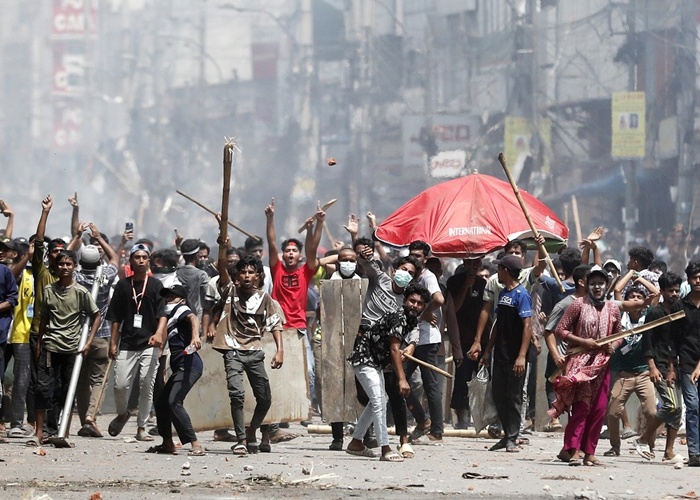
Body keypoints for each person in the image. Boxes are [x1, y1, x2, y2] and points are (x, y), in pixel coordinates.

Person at [345, 281, 430, 462]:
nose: (415, 305)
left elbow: (397, 346)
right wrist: (402, 379)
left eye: (419, 303)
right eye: (412, 301)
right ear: (405, 300)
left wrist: (406, 350)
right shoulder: (399, 317)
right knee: (379, 402)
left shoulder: (411, 320)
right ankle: (385, 448)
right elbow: (393, 348)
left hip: (376, 363)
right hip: (365, 359)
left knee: (379, 400)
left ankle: (356, 442)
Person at [212, 250, 284, 455]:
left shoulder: (264, 298)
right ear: (237, 276)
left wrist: (280, 351)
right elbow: (223, 270)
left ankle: (252, 429)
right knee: (237, 394)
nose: (246, 276)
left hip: (253, 351)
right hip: (232, 349)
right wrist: (222, 243)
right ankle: (241, 439)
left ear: (258, 276)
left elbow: (275, 324)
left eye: (251, 272)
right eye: (242, 272)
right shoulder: (229, 292)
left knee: (265, 398)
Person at [549, 265, 622, 467]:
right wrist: (583, 342)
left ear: (606, 286)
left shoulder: (613, 308)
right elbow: (560, 330)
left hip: (602, 364)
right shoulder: (578, 305)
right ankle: (573, 450)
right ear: (587, 285)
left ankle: (589, 452)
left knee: (598, 409)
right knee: (581, 408)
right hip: (580, 362)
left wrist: (612, 346)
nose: (597, 287)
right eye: (593, 283)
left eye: (600, 283)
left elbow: (620, 335)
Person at [265, 198, 323, 442]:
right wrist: (270, 218)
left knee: (308, 372)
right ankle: (276, 419)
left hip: (298, 331)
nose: (290, 253)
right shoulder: (276, 269)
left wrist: (315, 226)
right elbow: (270, 243)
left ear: (299, 256)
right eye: (287, 250)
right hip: (277, 331)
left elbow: (313, 248)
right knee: (275, 376)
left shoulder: (305, 271)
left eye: (293, 251)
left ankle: (301, 410)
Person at [34, 250, 101, 445]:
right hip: (50, 346)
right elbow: (44, 318)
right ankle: (40, 432)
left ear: (75, 267)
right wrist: (39, 343)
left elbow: (96, 316)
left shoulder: (80, 292)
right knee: (44, 389)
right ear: (56, 266)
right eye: (61, 264)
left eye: (68, 264)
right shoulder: (49, 290)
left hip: (72, 349)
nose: (64, 267)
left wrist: (88, 342)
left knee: (66, 391)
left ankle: (64, 432)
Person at [106, 243, 167, 442]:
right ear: (130, 261)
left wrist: (159, 335)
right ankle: (123, 413)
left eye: (144, 257)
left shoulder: (156, 286)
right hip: (127, 343)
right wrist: (113, 343)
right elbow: (115, 316)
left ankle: (142, 427)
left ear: (149, 261)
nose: (141, 261)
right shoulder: (124, 286)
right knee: (120, 385)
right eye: (137, 257)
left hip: (150, 343)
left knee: (146, 384)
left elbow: (162, 315)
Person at [479, 255, 533, 453]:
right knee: (498, 394)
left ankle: (512, 437)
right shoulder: (502, 294)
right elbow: (497, 325)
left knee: (514, 396)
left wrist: (521, 355)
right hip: (500, 354)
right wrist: (487, 351)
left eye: (499, 269)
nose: (497, 273)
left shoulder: (522, 294)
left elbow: (527, 327)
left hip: (515, 355)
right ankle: (505, 434)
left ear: (506, 271)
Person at [72, 224, 120, 438]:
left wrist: (77, 236)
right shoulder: (105, 276)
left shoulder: (74, 278)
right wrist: (99, 237)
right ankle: (91, 416)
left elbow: (64, 257)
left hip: (79, 336)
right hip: (101, 334)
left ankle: (85, 420)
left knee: (81, 381)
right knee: (99, 379)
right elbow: (115, 260)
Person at [147, 284, 205, 456]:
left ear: (182, 299)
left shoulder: (181, 309)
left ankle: (196, 444)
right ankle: (167, 443)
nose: (168, 300)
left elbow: (194, 318)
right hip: (179, 367)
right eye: (166, 297)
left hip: (189, 365)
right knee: (162, 403)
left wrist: (195, 336)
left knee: (174, 402)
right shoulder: (171, 316)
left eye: (172, 296)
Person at [638, 272, 685, 464]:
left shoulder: (678, 311)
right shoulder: (655, 313)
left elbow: (674, 344)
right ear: (663, 291)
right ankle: (643, 437)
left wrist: (674, 367)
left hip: (673, 365)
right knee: (671, 405)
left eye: (677, 290)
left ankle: (669, 451)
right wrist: (652, 366)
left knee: (677, 409)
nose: (674, 294)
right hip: (659, 365)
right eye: (670, 291)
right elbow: (646, 342)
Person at [405, 240, 445, 444]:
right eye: (412, 254)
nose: (414, 258)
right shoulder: (408, 275)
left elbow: (439, 300)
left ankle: (437, 430)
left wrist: (425, 313)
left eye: (418, 255)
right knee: (399, 380)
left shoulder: (427, 277)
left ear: (426, 259)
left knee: (431, 384)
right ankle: (422, 420)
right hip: (410, 337)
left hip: (427, 339)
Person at [446, 257, 486, 429]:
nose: (474, 266)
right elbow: (453, 309)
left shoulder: (484, 284)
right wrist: (465, 287)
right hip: (461, 338)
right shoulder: (454, 281)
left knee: (482, 379)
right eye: (470, 262)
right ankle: (461, 418)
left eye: (477, 263)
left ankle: (480, 418)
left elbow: (486, 311)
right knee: (462, 377)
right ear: (464, 262)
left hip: (480, 339)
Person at [671, 260, 700, 467]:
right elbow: (672, 340)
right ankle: (695, 452)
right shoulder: (679, 307)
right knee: (693, 406)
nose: (698, 280)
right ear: (688, 280)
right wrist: (672, 367)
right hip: (687, 365)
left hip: (698, 365)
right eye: (695, 277)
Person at [5, 238, 35, 438]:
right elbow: (12, 275)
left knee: (22, 381)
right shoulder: (6, 273)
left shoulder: (32, 275)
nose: (3, 253)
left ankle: (16, 422)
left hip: (22, 334)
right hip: (3, 334)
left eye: (7, 251)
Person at [0, 237, 19, 434]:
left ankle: (1, 423)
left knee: (4, 378)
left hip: (2, 333)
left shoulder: (5, 272)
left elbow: (12, 299)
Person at [176, 239, 209, 320]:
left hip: (178, 317)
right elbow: (207, 300)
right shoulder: (201, 275)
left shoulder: (176, 273)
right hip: (197, 318)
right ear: (197, 255)